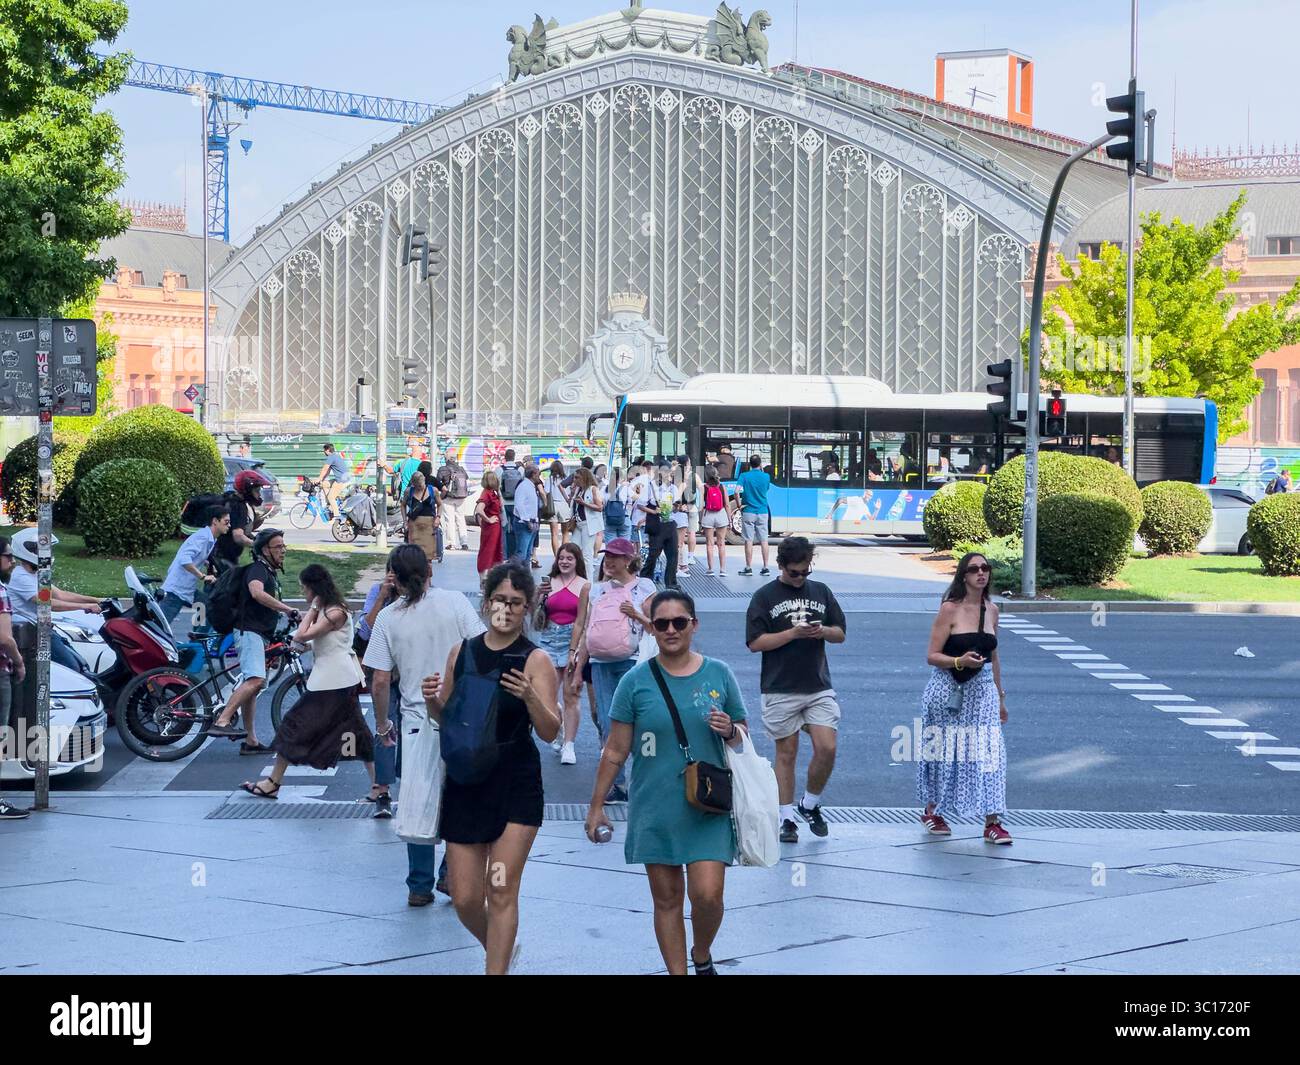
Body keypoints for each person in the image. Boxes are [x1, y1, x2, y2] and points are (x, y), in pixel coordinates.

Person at [585, 589, 749, 975]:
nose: (671, 630)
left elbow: (742, 731)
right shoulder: (635, 682)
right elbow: (615, 750)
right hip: (655, 805)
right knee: (667, 899)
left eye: (680, 622)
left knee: (708, 896)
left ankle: (702, 953)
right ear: (652, 630)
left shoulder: (719, 673)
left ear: (694, 625)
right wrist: (596, 807)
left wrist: (730, 731)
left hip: (708, 804)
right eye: (662, 624)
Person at [421, 562, 560, 974]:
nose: (507, 608)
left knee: (500, 888)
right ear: (485, 603)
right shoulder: (461, 652)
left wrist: (531, 697)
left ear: (528, 608)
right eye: (500, 600)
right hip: (467, 782)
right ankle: (499, 949)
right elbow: (447, 720)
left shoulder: (535, 660)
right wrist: (432, 700)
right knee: (464, 896)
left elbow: (551, 731)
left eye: (516, 603)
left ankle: (495, 968)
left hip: (515, 782)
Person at [365, 545, 486, 903]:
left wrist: (383, 723)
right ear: (429, 571)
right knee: (459, 794)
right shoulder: (455, 603)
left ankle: (419, 884)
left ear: (395, 579)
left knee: (417, 798)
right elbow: (479, 651)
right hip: (460, 713)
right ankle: (451, 872)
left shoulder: (389, 618)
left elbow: (380, 680)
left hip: (416, 717)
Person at [239, 564, 373, 799]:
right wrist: (299, 647)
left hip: (334, 683)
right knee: (357, 734)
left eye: (304, 588)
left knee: (293, 725)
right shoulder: (329, 611)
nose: (303, 593)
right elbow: (318, 641)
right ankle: (378, 788)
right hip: (332, 681)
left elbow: (303, 634)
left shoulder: (335, 612)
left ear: (314, 588)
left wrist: (312, 609)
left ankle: (273, 782)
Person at [745, 537, 847, 842]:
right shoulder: (764, 596)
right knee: (786, 753)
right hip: (779, 686)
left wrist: (822, 631)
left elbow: (840, 633)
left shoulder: (821, 592)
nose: (801, 578)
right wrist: (791, 634)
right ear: (780, 566)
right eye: (794, 572)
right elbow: (754, 643)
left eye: (806, 572)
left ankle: (809, 803)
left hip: (817, 684)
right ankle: (786, 818)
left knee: (827, 746)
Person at [918, 552, 1010, 844]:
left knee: (991, 751)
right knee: (947, 753)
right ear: (963, 576)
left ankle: (992, 822)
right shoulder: (950, 609)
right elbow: (932, 656)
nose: (981, 573)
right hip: (948, 690)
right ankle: (934, 811)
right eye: (974, 569)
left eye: (985, 568)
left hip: (982, 690)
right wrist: (960, 662)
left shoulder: (992, 610)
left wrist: (1000, 697)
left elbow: (994, 658)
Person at [570, 538, 656, 803]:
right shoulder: (595, 590)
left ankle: (645, 781)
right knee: (607, 724)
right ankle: (617, 784)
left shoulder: (645, 587)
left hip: (634, 663)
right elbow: (587, 632)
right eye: (607, 556)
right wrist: (577, 672)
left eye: (615, 557)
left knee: (641, 725)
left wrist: (637, 615)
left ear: (628, 561)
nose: (609, 560)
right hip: (599, 664)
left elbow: (658, 627)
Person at [209, 529, 297, 753]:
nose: (283, 551)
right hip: (248, 632)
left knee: (253, 686)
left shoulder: (269, 572)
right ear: (264, 550)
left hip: (258, 633)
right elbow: (256, 593)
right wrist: (287, 609)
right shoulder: (258, 569)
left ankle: (251, 741)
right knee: (256, 681)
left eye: (283, 546)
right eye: (278, 547)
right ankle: (222, 721)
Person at [3, 529, 103, 673]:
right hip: (36, 636)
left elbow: (61, 595)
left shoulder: (37, 574)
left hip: (46, 631)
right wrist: (85, 606)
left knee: (81, 666)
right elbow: (47, 602)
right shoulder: (19, 577)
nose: (48, 553)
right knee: (72, 669)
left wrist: (97, 600)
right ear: (29, 550)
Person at [535, 542, 589, 766]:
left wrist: (574, 651)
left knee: (571, 694)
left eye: (570, 558)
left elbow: (582, 622)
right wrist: (538, 595)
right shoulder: (550, 583)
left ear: (577, 561)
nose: (565, 562)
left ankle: (569, 745)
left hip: (571, 639)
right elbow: (533, 613)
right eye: (561, 558)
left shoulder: (585, 586)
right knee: (544, 695)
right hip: (548, 638)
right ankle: (559, 729)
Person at [160, 505, 229, 631]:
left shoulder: (210, 538)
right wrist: (202, 576)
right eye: (226, 522)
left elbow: (194, 556)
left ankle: (197, 639)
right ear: (215, 521)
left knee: (206, 607)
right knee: (160, 628)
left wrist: (206, 563)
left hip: (187, 589)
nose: (228, 526)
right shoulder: (202, 537)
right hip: (175, 591)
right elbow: (184, 559)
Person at [0, 536, 29, 820]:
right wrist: (18, 662)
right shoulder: (0, 591)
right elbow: (5, 638)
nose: (11, 561)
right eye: (8, 556)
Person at [639, 463, 680, 589]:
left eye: (670, 473)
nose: (668, 475)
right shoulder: (650, 487)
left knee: (673, 554)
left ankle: (671, 582)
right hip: (657, 524)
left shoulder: (673, 488)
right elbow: (640, 504)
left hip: (670, 523)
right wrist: (654, 511)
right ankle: (645, 580)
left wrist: (676, 507)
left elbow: (676, 507)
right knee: (653, 554)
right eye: (666, 472)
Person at [735, 454, 772, 577]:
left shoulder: (744, 476)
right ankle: (766, 567)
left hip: (748, 511)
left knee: (748, 540)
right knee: (764, 540)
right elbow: (766, 490)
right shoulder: (766, 476)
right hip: (762, 511)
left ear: (749, 464)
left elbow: (736, 491)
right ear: (760, 464)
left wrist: (739, 505)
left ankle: (748, 567)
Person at [699, 468, 734, 576]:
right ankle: (722, 570)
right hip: (721, 514)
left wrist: (701, 521)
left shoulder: (703, 487)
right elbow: (727, 505)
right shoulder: (722, 487)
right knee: (721, 543)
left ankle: (710, 569)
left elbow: (701, 506)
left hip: (708, 515)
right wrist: (729, 520)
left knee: (710, 544)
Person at [571, 466, 604, 573]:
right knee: (573, 550)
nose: (575, 480)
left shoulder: (593, 489)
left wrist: (584, 503)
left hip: (588, 524)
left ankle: (589, 582)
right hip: (578, 523)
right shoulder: (578, 490)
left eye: (577, 478)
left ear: (584, 478)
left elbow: (599, 507)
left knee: (587, 554)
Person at [437, 452, 472, 551]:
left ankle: (451, 543)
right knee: (461, 519)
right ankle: (464, 542)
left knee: (450, 520)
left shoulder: (443, 469)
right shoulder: (461, 469)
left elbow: (438, 480)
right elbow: (466, 478)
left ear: (446, 459)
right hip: (461, 497)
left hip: (448, 497)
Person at [403, 471, 441, 563]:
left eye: (421, 485)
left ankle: (427, 574)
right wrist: (405, 521)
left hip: (429, 526)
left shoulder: (433, 490)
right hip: (414, 526)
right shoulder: (409, 491)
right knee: (414, 554)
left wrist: (438, 517)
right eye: (418, 486)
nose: (420, 487)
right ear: (413, 484)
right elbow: (402, 505)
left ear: (424, 480)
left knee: (428, 556)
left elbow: (440, 504)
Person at [677, 456, 703, 576]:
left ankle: (681, 560)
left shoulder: (677, 475)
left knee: (680, 537)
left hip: (679, 508)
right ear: (688, 463)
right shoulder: (694, 475)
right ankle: (691, 556)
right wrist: (701, 502)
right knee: (692, 532)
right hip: (692, 506)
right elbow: (701, 488)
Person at [475, 469, 505, 578]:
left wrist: (499, 493)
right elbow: (479, 509)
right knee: (488, 551)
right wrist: (488, 519)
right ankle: (484, 579)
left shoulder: (492, 493)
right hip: (491, 527)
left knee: (494, 551)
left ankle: (489, 578)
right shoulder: (487, 494)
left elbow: (501, 506)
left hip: (495, 527)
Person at [510, 464, 541, 565]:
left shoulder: (530, 486)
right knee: (522, 553)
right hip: (524, 523)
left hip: (531, 523)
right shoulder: (524, 486)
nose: (539, 476)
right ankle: (508, 572)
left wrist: (535, 520)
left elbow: (530, 505)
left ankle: (525, 577)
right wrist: (526, 520)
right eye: (538, 474)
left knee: (527, 554)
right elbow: (519, 504)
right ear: (533, 474)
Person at [499, 448, 525, 560]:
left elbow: (497, 486)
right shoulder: (520, 469)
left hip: (504, 502)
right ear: (514, 457)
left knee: (504, 529)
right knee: (516, 528)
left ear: (505, 457)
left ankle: (504, 555)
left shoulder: (499, 469)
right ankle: (515, 554)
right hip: (516, 503)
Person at [545, 460, 573, 558]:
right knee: (565, 532)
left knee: (554, 534)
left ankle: (557, 556)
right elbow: (570, 493)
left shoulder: (549, 479)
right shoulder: (566, 478)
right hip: (564, 505)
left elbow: (546, 492)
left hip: (553, 506)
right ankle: (564, 555)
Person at [317, 444, 352, 512]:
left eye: (324, 450)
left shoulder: (331, 457)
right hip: (342, 479)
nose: (324, 452)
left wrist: (318, 478)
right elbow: (327, 471)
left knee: (331, 497)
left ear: (327, 450)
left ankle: (336, 515)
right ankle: (329, 504)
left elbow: (325, 468)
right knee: (324, 484)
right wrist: (321, 480)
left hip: (341, 480)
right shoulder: (336, 456)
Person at [603, 467, 632, 544]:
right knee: (624, 547)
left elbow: (602, 504)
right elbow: (630, 503)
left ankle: (612, 556)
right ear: (622, 477)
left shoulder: (605, 489)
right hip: (624, 519)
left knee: (611, 547)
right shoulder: (626, 488)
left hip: (609, 520)